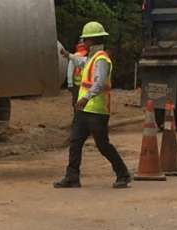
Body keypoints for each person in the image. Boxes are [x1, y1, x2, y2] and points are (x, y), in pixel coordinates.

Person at [54, 21, 131, 189]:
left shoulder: (102, 59)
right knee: (75, 142)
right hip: (84, 110)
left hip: (96, 110)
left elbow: (99, 83)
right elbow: (82, 63)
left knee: (103, 145)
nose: (83, 43)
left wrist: (85, 98)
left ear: (91, 41)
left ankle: (123, 174)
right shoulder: (92, 58)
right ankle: (72, 177)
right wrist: (69, 55)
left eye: (85, 40)